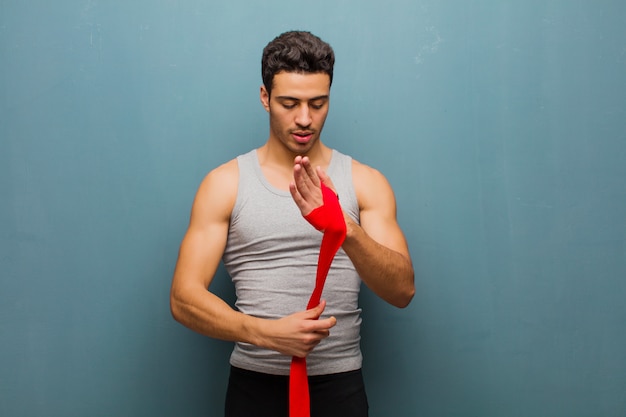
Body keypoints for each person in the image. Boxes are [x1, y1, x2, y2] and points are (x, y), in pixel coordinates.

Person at [170, 30, 415, 417]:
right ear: (265, 98)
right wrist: (266, 334)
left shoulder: (365, 182)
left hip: (341, 388)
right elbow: (183, 298)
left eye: (318, 104)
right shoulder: (225, 184)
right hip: (254, 386)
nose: (304, 119)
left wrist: (345, 228)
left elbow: (402, 291)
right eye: (290, 103)